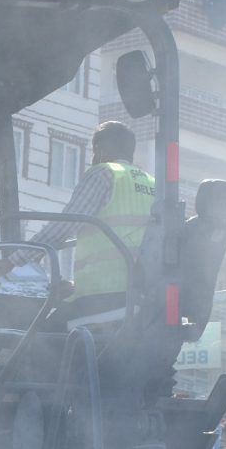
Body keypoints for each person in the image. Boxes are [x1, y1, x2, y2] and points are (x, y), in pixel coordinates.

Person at [49, 120, 156, 309]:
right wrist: (74, 286)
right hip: (139, 295)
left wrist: (13, 260)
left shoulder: (103, 173)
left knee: (40, 329)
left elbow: (65, 225)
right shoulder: (153, 184)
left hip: (101, 296)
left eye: (93, 151)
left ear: (100, 150)